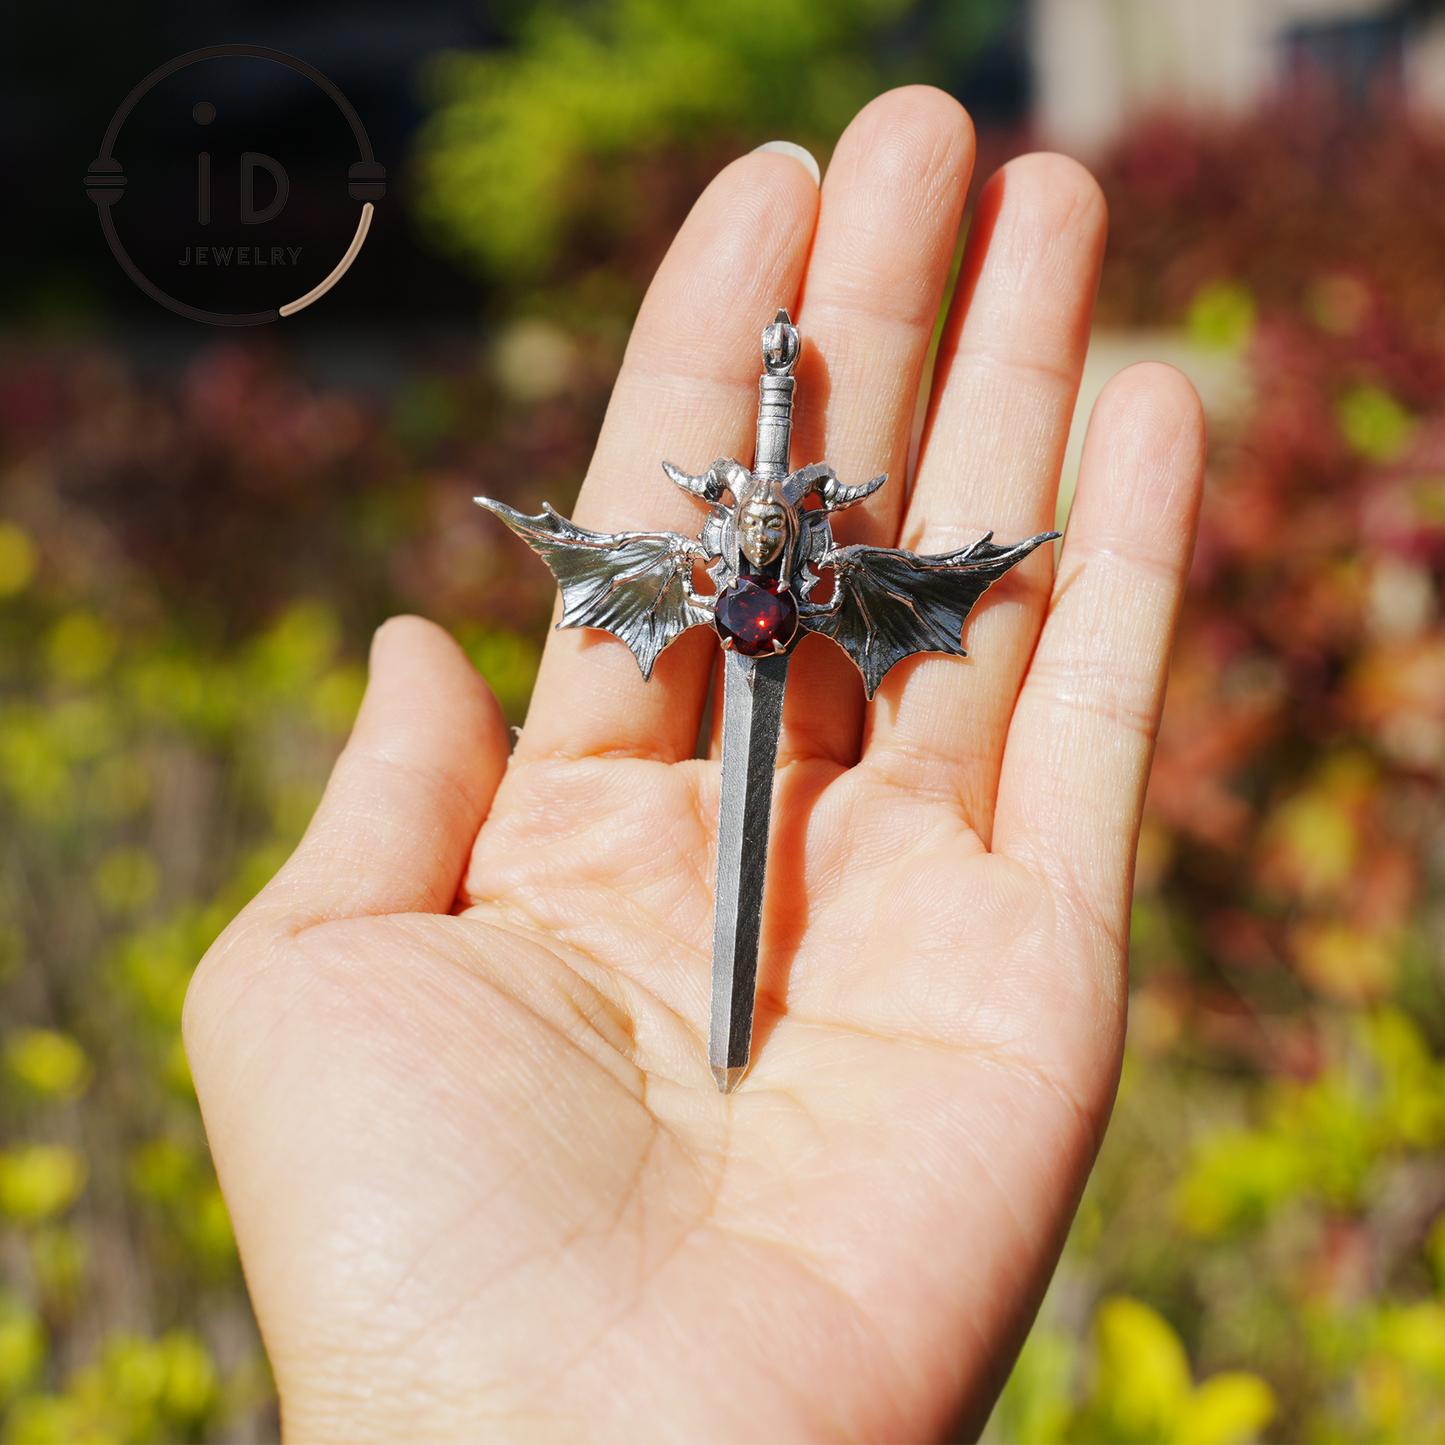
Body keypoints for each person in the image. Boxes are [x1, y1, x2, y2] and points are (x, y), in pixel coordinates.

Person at [183, 85, 1206, 1443]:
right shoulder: (716, 556)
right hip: (739, 609)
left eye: (777, 526)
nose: (766, 533)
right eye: (751, 526)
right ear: (731, 528)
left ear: (793, 526)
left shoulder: (807, 559)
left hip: (791, 611)